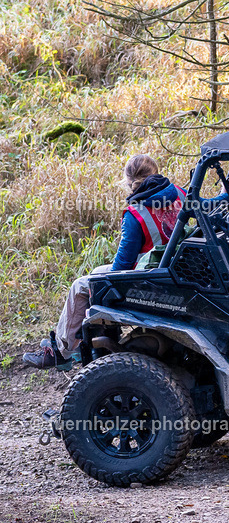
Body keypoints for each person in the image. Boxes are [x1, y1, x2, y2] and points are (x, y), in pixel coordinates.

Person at [23, 155, 186, 369]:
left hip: (151, 280)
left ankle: (61, 352)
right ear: (156, 173)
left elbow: (122, 267)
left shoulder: (136, 214)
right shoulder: (181, 193)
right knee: (96, 273)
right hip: (175, 269)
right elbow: (208, 205)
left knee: (80, 286)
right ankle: (84, 340)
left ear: (128, 182)